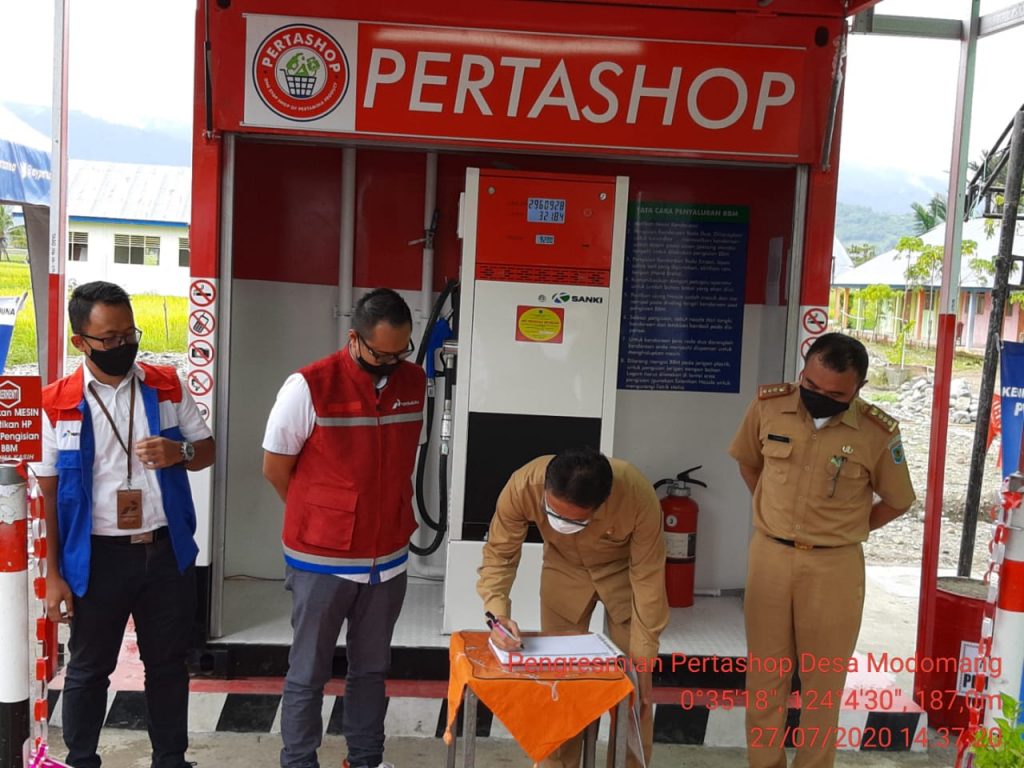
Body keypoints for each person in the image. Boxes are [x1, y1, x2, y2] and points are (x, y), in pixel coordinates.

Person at [37, 281, 215, 768]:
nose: (123, 346)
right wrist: (53, 575)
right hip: (98, 557)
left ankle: (171, 760)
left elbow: (206, 452)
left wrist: (179, 451)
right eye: (110, 338)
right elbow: (48, 496)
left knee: (169, 666)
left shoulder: (166, 385)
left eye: (129, 334)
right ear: (81, 342)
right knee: (89, 669)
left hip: (165, 550)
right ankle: (81, 759)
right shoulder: (57, 404)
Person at [728, 332, 915, 768]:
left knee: (822, 685)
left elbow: (898, 500)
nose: (819, 397)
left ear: (858, 389)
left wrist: (846, 529)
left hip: (835, 567)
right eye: (811, 386)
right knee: (765, 679)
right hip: (771, 557)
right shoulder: (769, 406)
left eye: (835, 395)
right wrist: (774, 515)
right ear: (803, 371)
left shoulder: (876, 432)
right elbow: (748, 463)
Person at [262, 288, 425, 768]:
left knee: (372, 670)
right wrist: (321, 516)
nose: (391, 363)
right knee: (308, 672)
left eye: (400, 352)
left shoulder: (414, 381)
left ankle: (366, 759)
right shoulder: (308, 386)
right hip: (321, 560)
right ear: (355, 339)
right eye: (381, 354)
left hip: (388, 558)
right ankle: (298, 761)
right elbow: (275, 468)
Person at [478, 447, 668, 768]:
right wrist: (498, 616)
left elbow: (648, 577)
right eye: (555, 513)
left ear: (602, 504)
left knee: (636, 690)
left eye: (575, 519)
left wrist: (645, 656)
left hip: (623, 576)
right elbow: (500, 554)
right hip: (563, 570)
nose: (562, 522)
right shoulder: (524, 485)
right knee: (559, 684)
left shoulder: (636, 494)